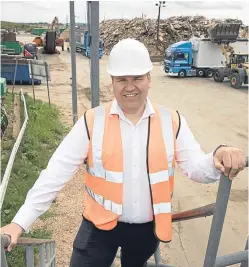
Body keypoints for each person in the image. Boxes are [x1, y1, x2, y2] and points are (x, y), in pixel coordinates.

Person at [1, 38, 247, 267]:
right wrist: (19, 222)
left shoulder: (171, 121)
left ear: (149, 79)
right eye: (122, 79)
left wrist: (218, 154)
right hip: (98, 230)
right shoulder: (91, 122)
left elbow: (195, 167)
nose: (130, 87)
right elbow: (54, 174)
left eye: (137, 78)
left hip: (146, 232)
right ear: (112, 82)